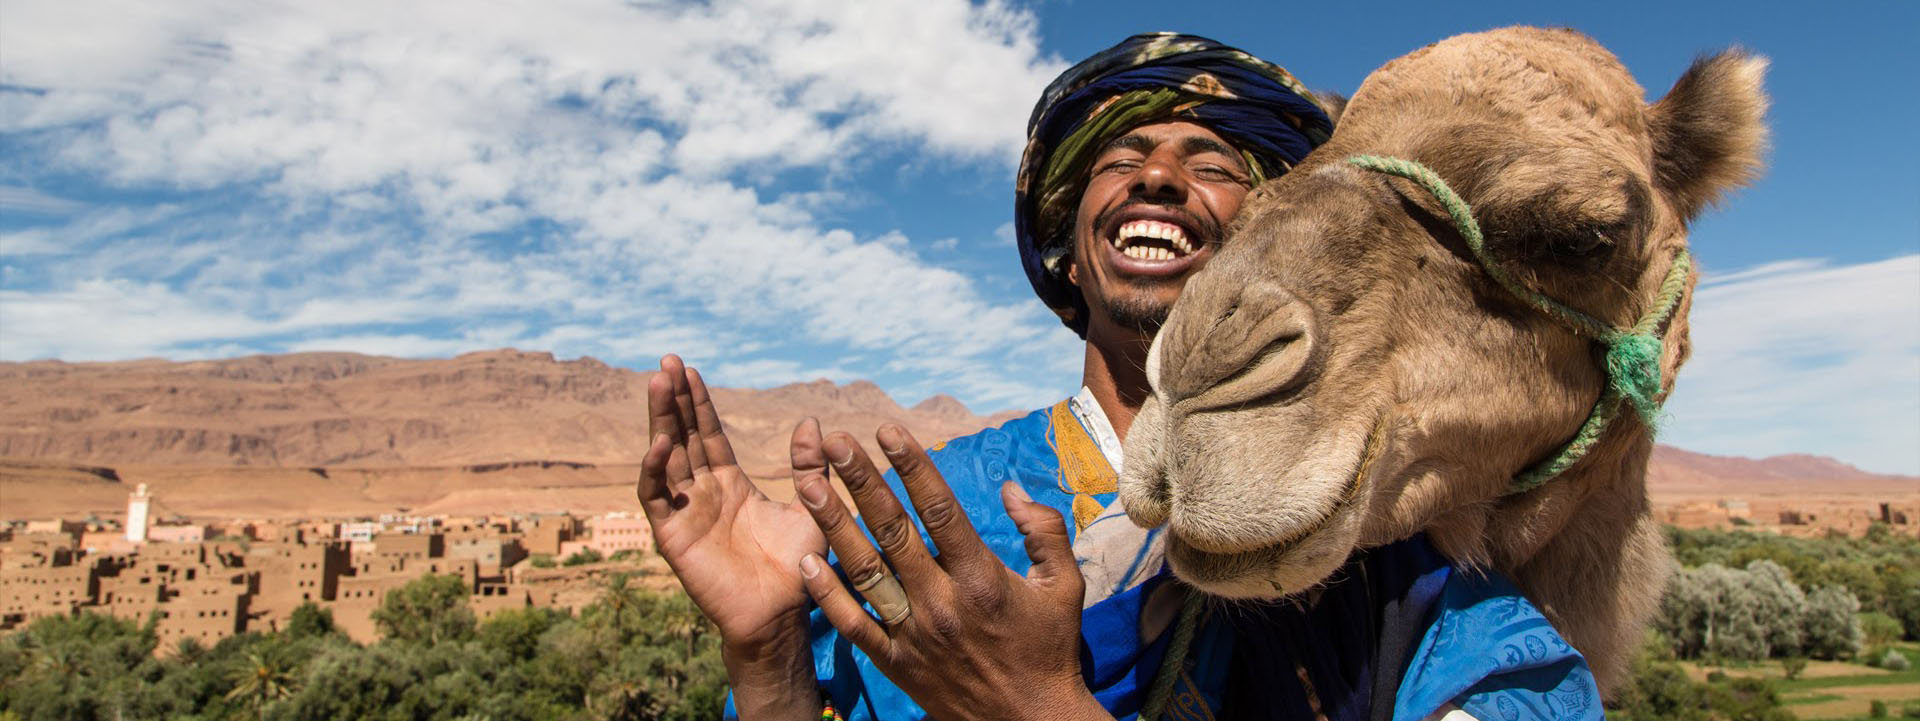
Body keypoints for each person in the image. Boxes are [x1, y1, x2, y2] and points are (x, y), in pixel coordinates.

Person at [637, 33, 1602, 721]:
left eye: (1212, 163)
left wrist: (1036, 705)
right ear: (1068, 247)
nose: (1157, 178)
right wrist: (765, 652)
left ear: (1273, 232)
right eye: (1125, 158)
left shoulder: (1382, 547)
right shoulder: (923, 511)